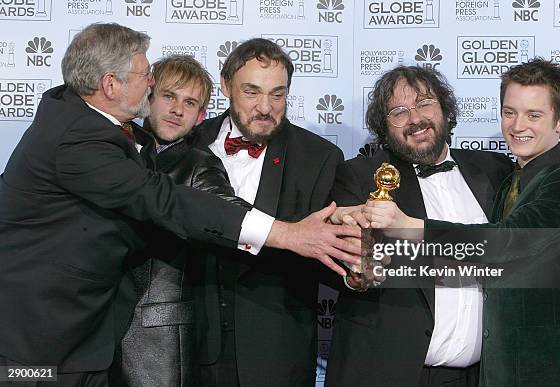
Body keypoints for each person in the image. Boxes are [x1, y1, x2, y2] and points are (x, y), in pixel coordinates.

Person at [0, 24, 359, 386]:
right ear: (111, 84)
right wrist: (285, 233)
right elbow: (166, 199)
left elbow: (344, 251)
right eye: (147, 77)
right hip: (49, 342)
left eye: (277, 93)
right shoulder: (87, 137)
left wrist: (367, 246)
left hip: (263, 350)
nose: (152, 83)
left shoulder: (81, 119)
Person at [325, 64, 560, 387]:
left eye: (425, 103)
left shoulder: (494, 170)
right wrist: (356, 264)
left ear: (445, 109)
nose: (415, 118)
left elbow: (511, 239)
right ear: (383, 126)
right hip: (393, 372)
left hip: (500, 372)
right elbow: (343, 253)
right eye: (399, 111)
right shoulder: (360, 177)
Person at [189, 38, 345, 387]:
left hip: (277, 352)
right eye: (252, 92)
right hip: (191, 346)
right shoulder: (187, 143)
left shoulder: (320, 158)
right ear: (226, 85)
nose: (265, 107)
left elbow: (335, 259)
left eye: (278, 94)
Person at [118, 54, 248, 386]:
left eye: (189, 103)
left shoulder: (198, 165)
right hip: (91, 325)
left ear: (200, 116)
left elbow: (231, 213)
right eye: (169, 96)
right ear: (147, 96)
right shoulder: (110, 147)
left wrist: (291, 231)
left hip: (155, 341)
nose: (178, 109)